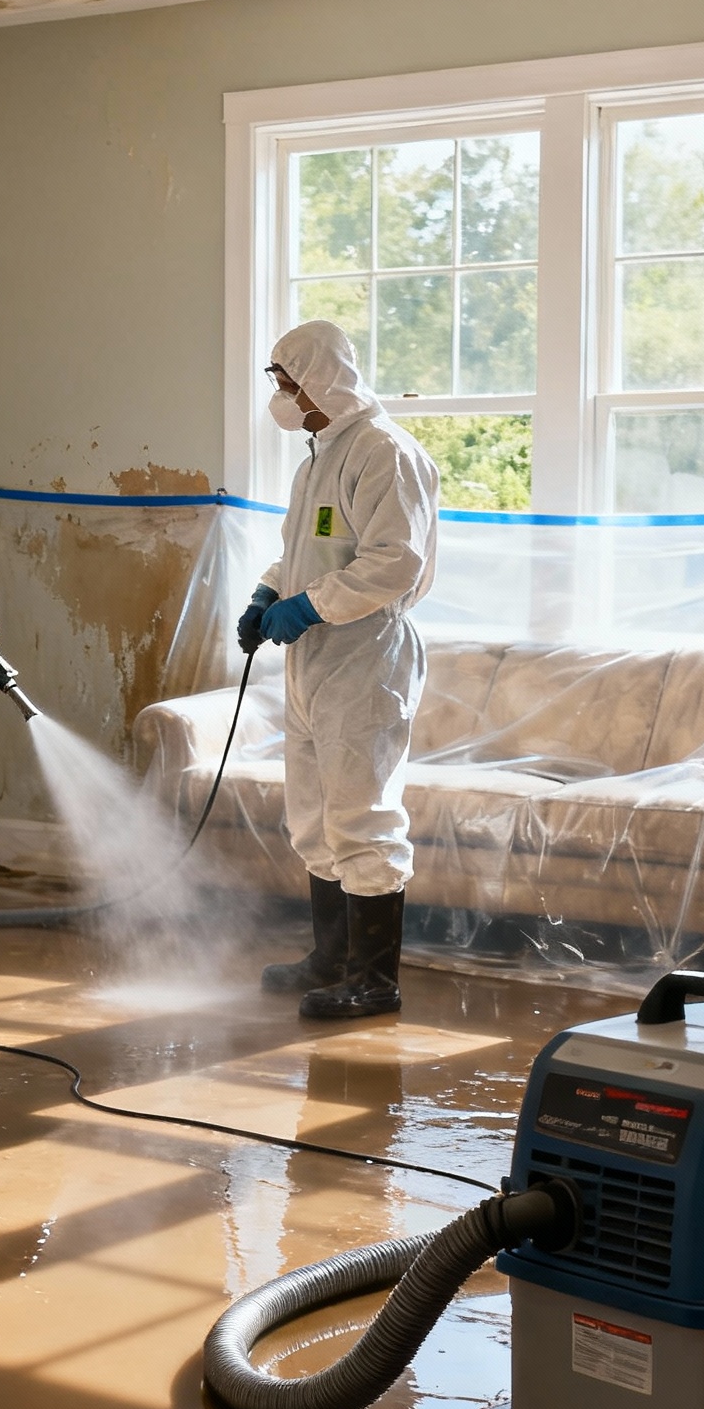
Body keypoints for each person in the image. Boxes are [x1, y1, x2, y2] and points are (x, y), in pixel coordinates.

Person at [239, 319, 439, 1019]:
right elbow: (308, 551)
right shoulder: (319, 454)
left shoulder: (384, 452)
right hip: (314, 656)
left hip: (365, 655)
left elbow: (394, 561)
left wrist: (310, 606)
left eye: (289, 383)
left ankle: (375, 980)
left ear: (321, 380)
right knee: (315, 816)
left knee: (362, 817)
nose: (283, 397)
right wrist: (271, 590)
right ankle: (330, 959)